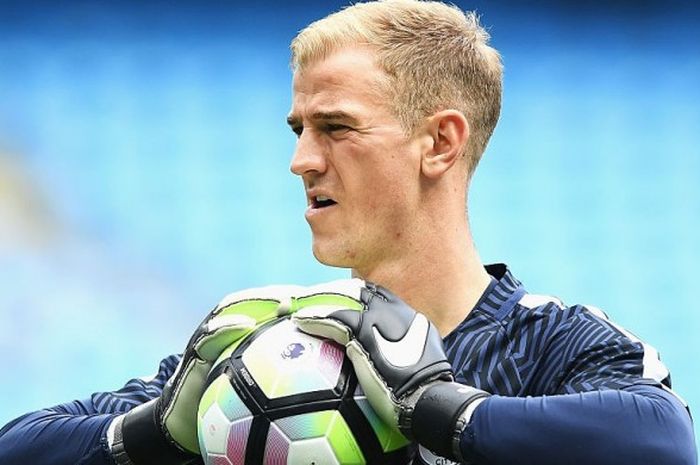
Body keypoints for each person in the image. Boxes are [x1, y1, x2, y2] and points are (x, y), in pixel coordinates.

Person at [0, 1, 696, 464]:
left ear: (440, 143)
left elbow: (663, 440)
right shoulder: (268, 353)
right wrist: (152, 430)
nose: (301, 159)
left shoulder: (550, 344)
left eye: (334, 127)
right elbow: (20, 444)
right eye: (299, 129)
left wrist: (433, 408)